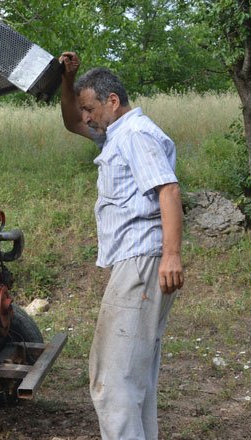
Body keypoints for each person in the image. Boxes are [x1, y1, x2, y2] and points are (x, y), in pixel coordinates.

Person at [58, 52, 185, 440]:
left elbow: (168, 189)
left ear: (112, 101)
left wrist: (171, 255)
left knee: (111, 380)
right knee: (134, 377)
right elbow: (69, 121)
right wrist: (69, 80)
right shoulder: (116, 133)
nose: (87, 117)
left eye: (91, 107)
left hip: (141, 261)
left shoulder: (135, 134)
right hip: (137, 261)